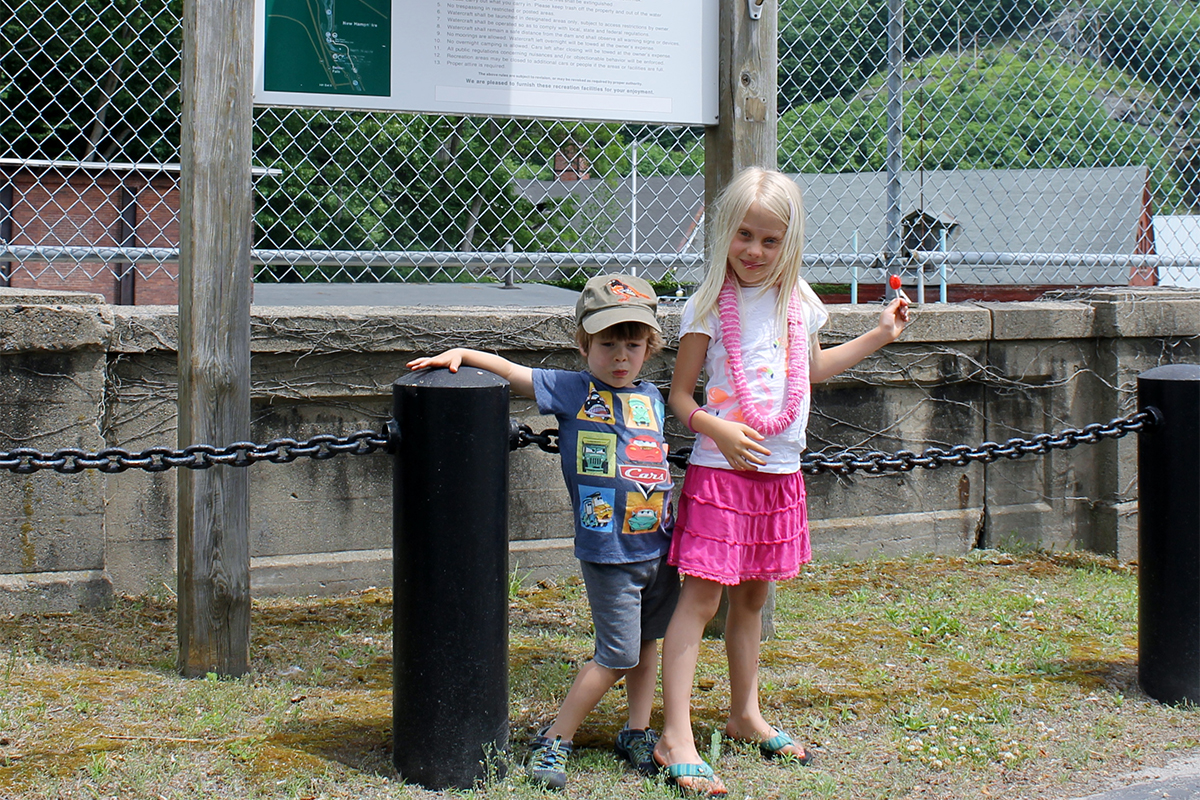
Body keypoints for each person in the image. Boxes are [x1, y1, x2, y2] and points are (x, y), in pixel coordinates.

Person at [653, 167, 910, 797]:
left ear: (789, 242)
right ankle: (676, 733)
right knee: (702, 599)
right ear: (725, 234)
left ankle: (745, 713)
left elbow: (813, 369)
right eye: (743, 235)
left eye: (770, 240)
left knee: (753, 601)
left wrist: (878, 334)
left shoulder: (801, 302)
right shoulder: (709, 305)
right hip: (722, 474)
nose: (754, 251)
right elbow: (680, 397)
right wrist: (717, 430)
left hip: (780, 473)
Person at [406, 273, 681, 791]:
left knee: (649, 643)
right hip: (610, 550)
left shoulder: (651, 396)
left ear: (649, 346)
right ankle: (557, 736)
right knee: (617, 653)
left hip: (657, 546)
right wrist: (465, 352)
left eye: (633, 344)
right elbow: (515, 372)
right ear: (583, 343)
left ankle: (637, 730)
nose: (621, 356)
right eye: (607, 343)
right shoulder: (574, 389)